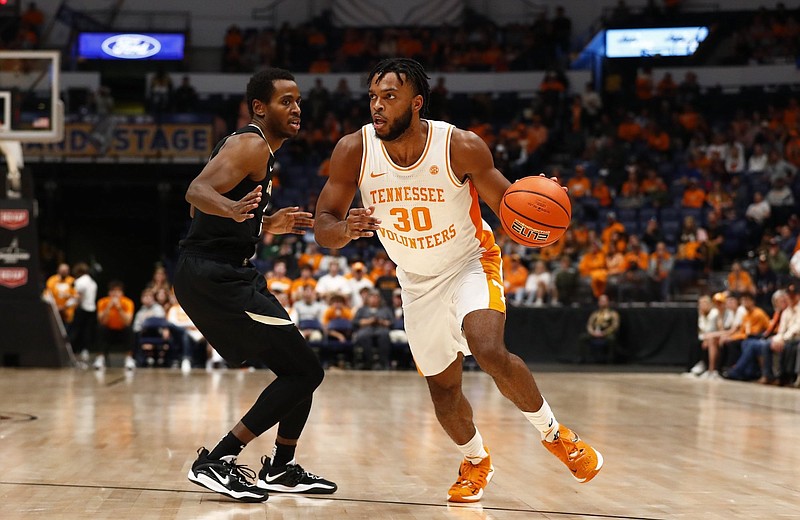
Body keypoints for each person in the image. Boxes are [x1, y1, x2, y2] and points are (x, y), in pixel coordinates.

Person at [313, 58, 602, 503]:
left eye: (389, 97)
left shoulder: (459, 146)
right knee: (443, 390)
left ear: (416, 102)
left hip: (470, 261)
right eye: (373, 96)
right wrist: (344, 229)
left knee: (487, 348)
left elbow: (510, 206)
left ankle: (554, 434)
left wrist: (540, 215)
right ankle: (475, 461)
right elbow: (324, 224)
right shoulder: (354, 149)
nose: (377, 106)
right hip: (414, 281)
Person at [173, 68, 336, 503]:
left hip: (226, 270)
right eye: (286, 101)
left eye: (298, 100)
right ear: (260, 108)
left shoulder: (257, 150)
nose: (296, 108)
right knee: (305, 371)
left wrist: (263, 221)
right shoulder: (250, 144)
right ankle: (217, 459)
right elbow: (196, 192)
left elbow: (205, 214)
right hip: (214, 275)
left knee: (299, 369)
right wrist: (231, 208)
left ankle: (281, 468)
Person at [95, 280, 135, 371]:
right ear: (109, 292)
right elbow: (102, 321)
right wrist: (108, 307)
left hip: (122, 331)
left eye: (118, 291)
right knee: (100, 328)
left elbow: (127, 322)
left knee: (130, 329)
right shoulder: (102, 302)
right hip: (109, 331)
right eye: (113, 291)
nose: (115, 294)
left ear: (122, 293)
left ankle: (129, 359)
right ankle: (100, 359)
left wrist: (119, 308)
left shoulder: (128, 302)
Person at [352, 289, 393, 369]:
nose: (374, 299)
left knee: (384, 335)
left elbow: (392, 322)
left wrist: (381, 321)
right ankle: (368, 362)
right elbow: (355, 322)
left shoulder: (385, 309)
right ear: (368, 298)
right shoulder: (362, 309)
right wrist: (369, 321)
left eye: (376, 297)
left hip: (381, 328)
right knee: (363, 336)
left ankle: (384, 363)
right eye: (372, 297)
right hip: (366, 329)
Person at [69, 262, 97, 365]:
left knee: (75, 330)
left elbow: (78, 297)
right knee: (87, 331)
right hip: (92, 309)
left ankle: (71, 351)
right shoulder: (92, 282)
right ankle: (85, 350)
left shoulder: (80, 281)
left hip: (82, 309)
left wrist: (67, 304)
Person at [579, 294, 621, 363]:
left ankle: (610, 359)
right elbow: (589, 324)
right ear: (598, 302)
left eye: (604, 301)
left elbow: (614, 326)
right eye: (601, 301)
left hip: (606, 333)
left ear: (608, 302)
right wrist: (592, 332)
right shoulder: (595, 314)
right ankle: (582, 358)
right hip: (595, 333)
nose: (602, 302)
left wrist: (604, 333)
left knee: (611, 338)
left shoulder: (613, 313)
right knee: (583, 337)